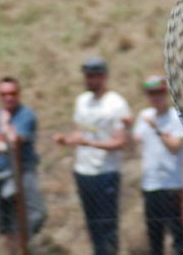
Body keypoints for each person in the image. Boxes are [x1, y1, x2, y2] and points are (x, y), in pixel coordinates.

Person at [53, 56, 133, 255]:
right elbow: (81, 132)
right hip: (84, 171)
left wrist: (89, 143)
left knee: (107, 226)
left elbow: (120, 142)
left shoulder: (116, 104)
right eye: (87, 76)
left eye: (93, 76)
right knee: (93, 226)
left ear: (103, 77)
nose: (88, 80)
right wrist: (67, 139)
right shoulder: (82, 101)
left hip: (106, 172)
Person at [0, 77, 47, 252]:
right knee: (7, 225)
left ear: (19, 94)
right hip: (1, 174)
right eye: (3, 94)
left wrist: (1, 135)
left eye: (12, 93)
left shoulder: (26, 115)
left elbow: (15, 141)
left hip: (23, 173)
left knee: (36, 214)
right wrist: (4, 145)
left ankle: (24, 244)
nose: (8, 98)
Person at [132, 74, 183, 255]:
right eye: (151, 94)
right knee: (154, 236)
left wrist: (156, 128)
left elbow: (175, 147)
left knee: (177, 234)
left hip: (172, 184)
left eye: (158, 93)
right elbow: (135, 142)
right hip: (150, 184)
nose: (155, 98)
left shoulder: (175, 117)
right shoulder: (144, 116)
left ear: (165, 93)